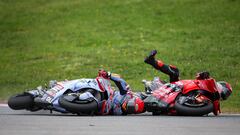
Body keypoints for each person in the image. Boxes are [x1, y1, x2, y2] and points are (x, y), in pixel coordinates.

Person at [144, 50, 232, 115]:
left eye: (227, 94)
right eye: (227, 91)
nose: (226, 94)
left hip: (176, 97)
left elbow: (211, 111)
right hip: (178, 87)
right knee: (175, 71)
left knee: (175, 72)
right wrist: (203, 75)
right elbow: (199, 79)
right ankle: (152, 61)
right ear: (221, 86)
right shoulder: (210, 87)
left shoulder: (212, 103)